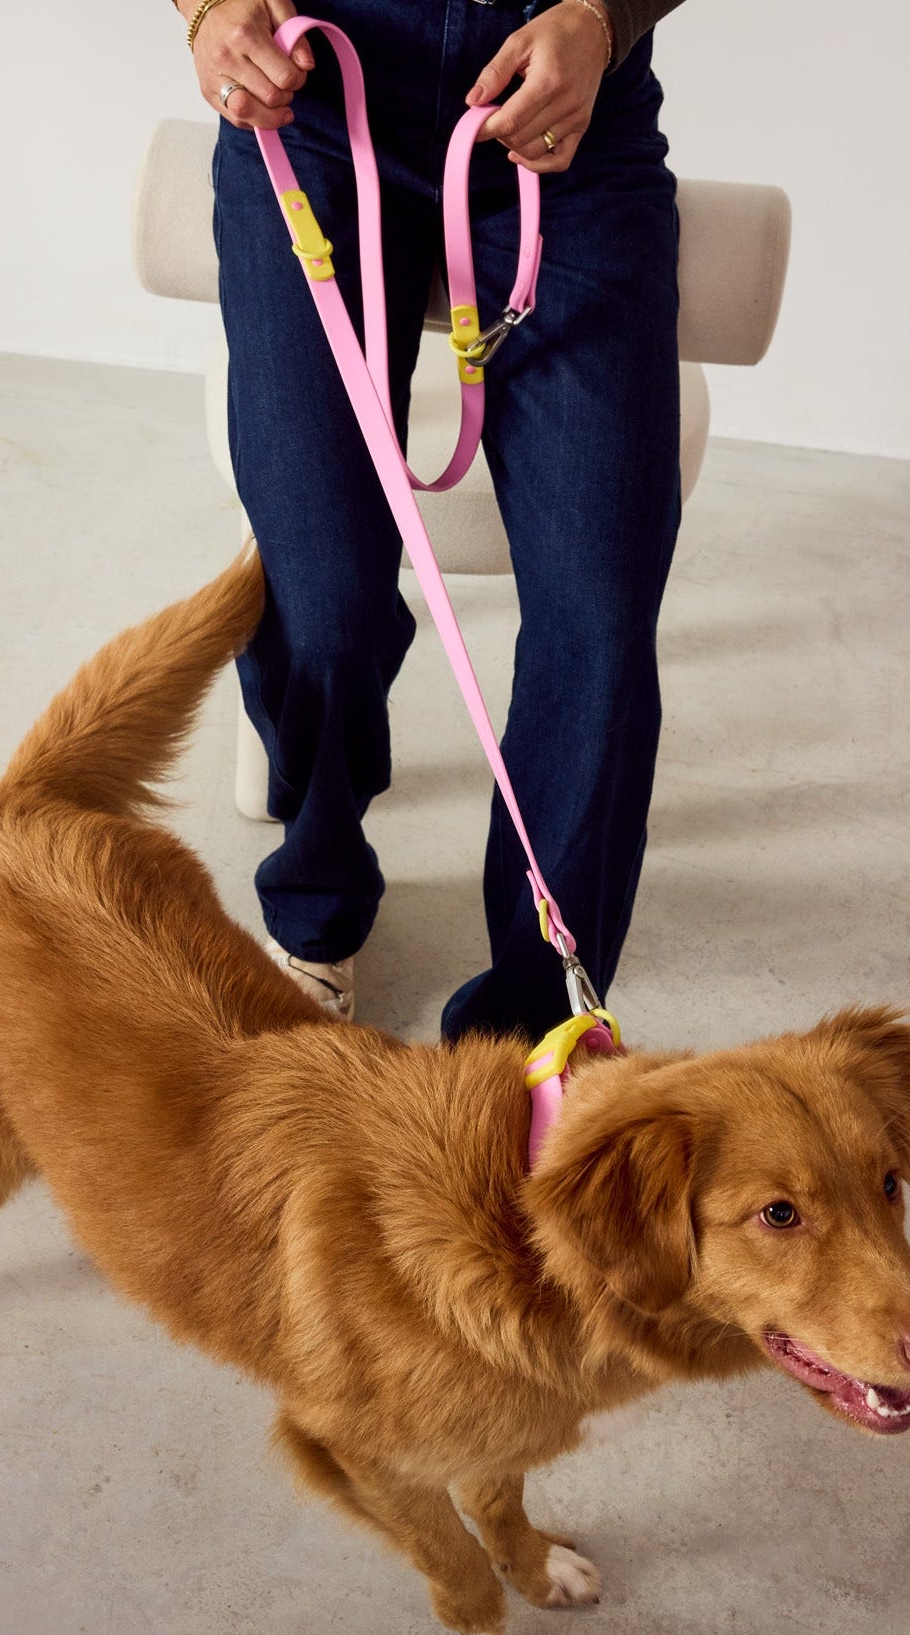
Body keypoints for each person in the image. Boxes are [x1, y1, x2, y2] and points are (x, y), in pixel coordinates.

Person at [175, 0, 685, 1037]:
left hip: (560, 128)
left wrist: (603, 16)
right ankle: (316, 897)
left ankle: (535, 1030)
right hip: (310, 103)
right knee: (323, 599)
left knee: (598, 628)